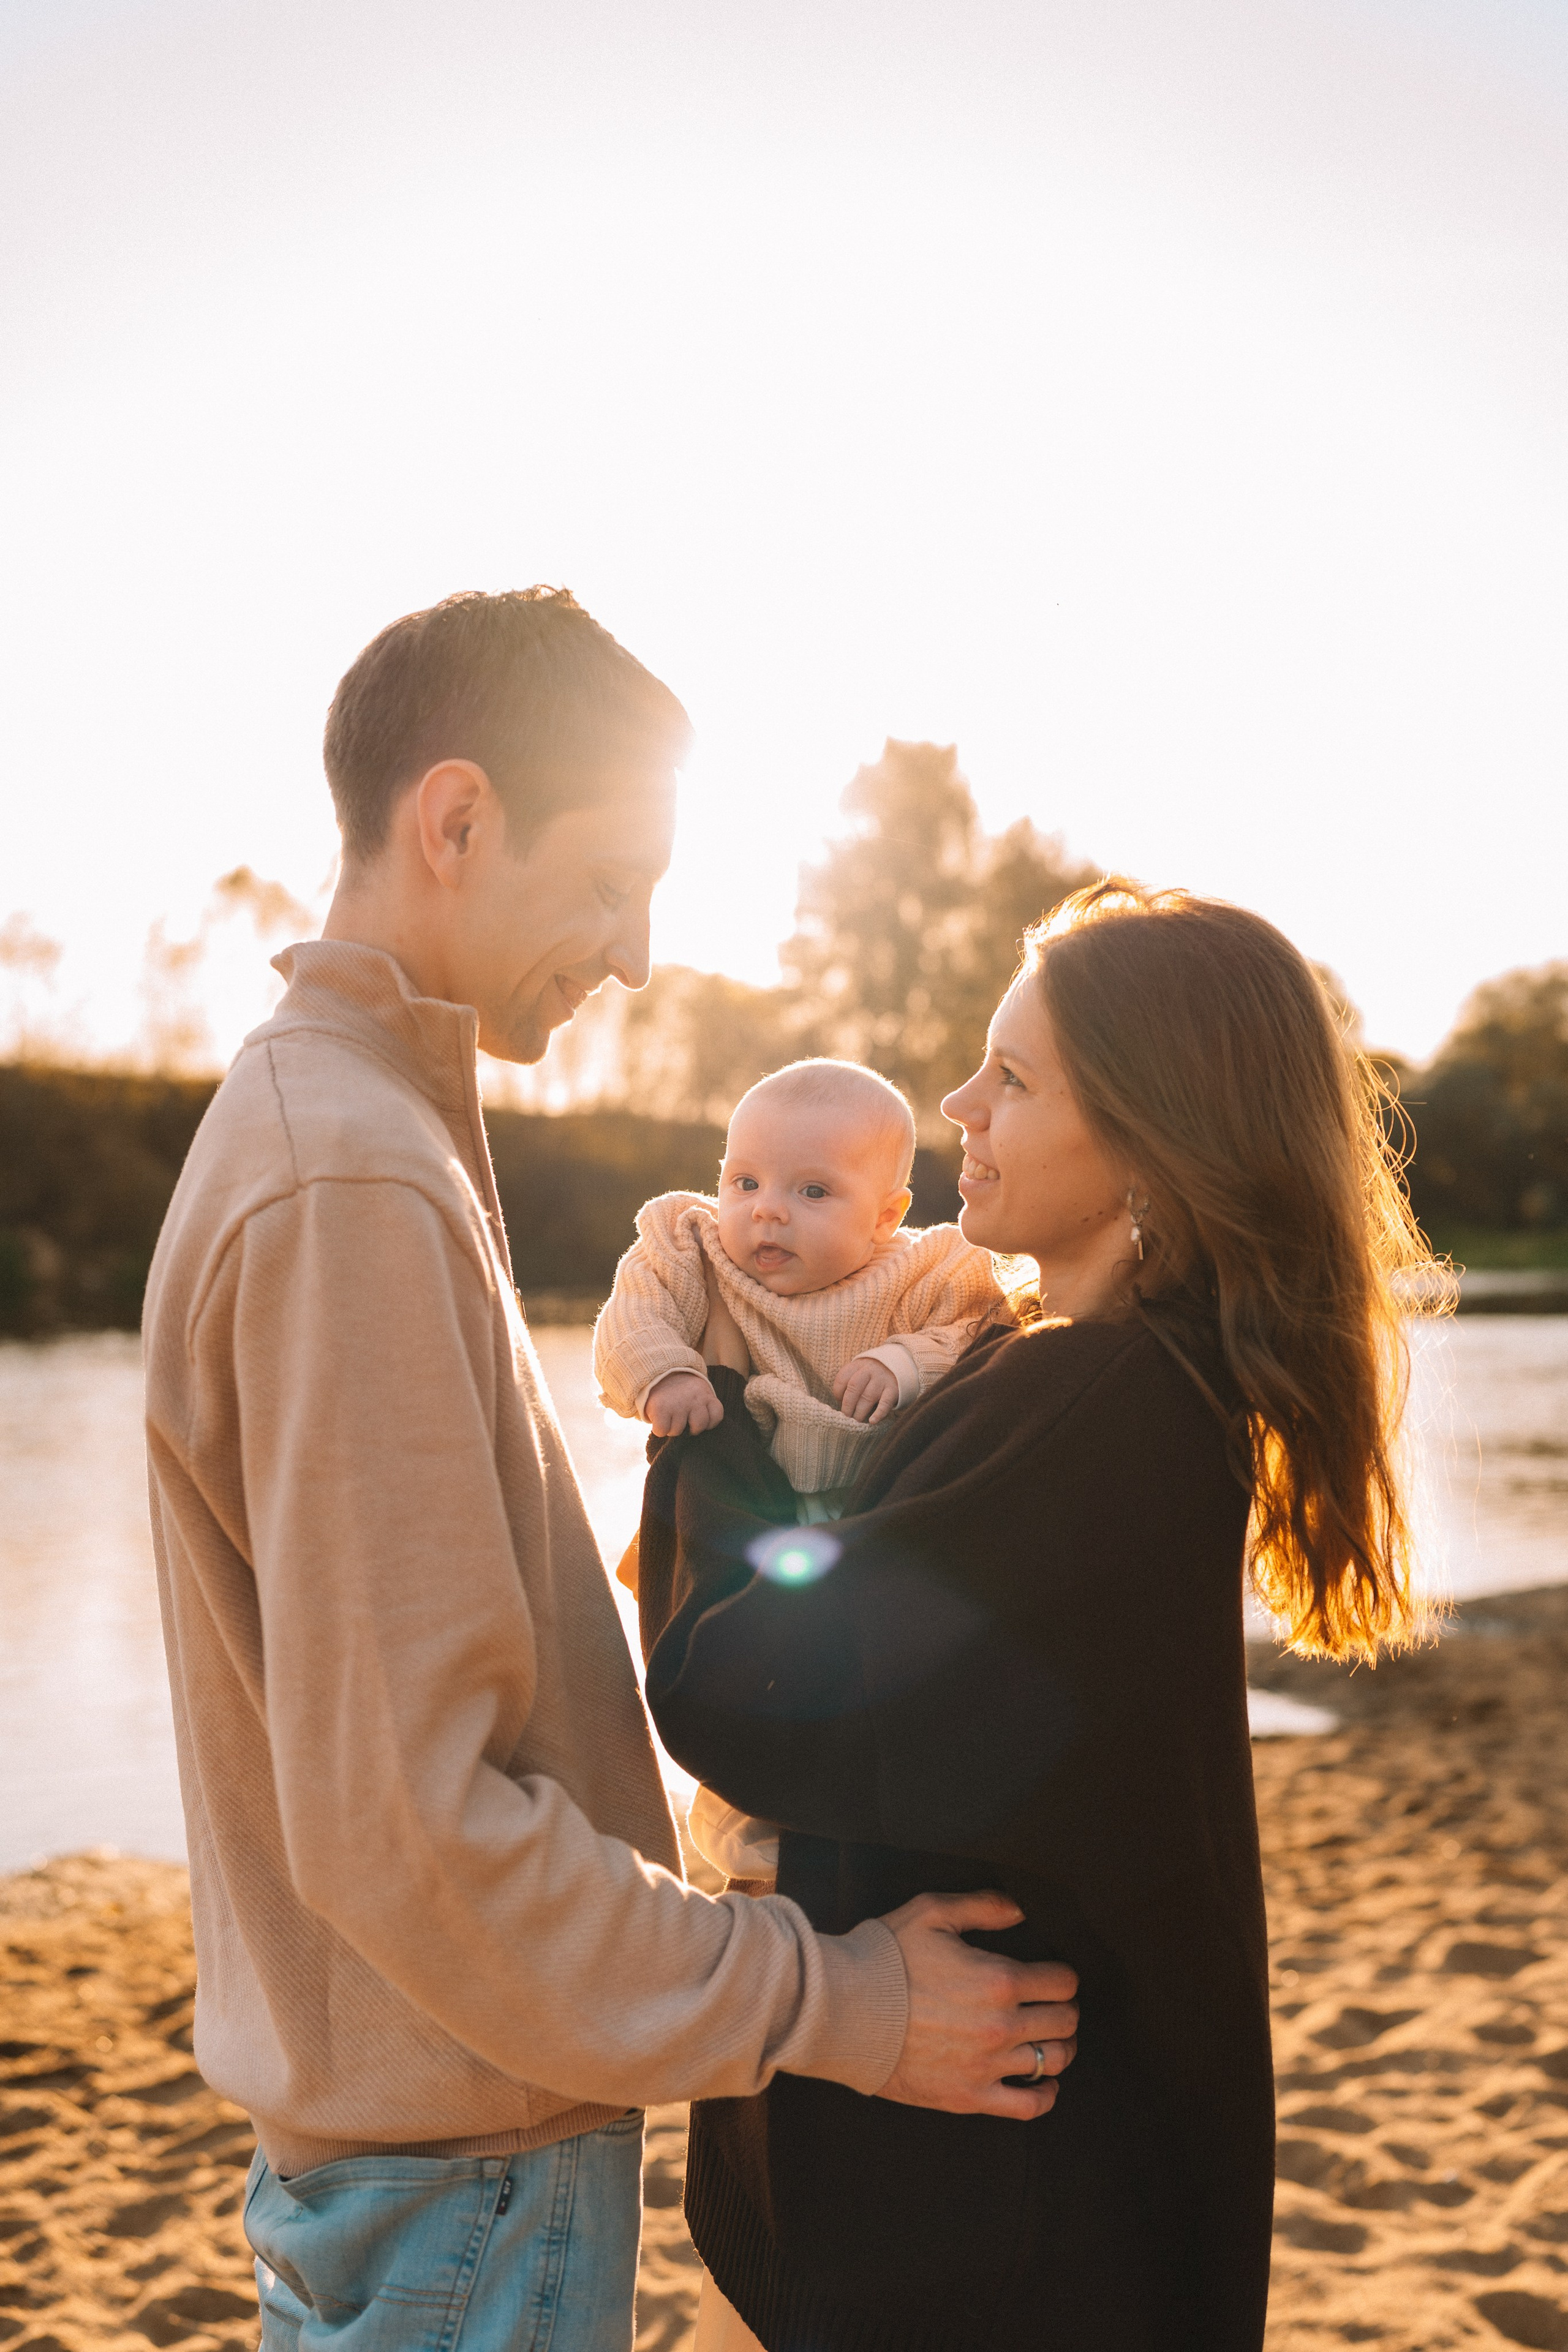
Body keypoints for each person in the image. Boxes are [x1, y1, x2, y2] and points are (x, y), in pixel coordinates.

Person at [141, 588, 1080, 2352]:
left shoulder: (350, 1129)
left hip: (430, 2162)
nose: (641, 953)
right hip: (459, 2181)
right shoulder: (346, 1176)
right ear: (458, 821)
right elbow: (414, 1828)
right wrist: (838, 2003)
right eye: (611, 879)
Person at [639, 881, 1436, 2352]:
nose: (958, 1102)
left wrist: (704, 1429)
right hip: (993, 2203)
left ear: (1145, 1134)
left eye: (1011, 1078)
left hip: (994, 2242)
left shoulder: (1108, 1404)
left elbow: (740, 1689)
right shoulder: (1067, 1373)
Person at [595, 1055, 1005, 1888]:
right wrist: (665, 1373)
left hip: (863, 1525)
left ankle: (849, 1844)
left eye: (813, 1192)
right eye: (744, 1181)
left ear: (887, 1215)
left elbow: (981, 1330)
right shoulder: (693, 1247)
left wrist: (903, 1361)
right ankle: (753, 1862)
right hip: (739, 1523)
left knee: (870, 1711)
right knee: (740, 1709)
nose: (767, 1211)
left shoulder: (925, 1272)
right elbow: (633, 1315)